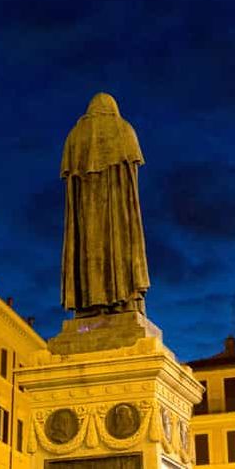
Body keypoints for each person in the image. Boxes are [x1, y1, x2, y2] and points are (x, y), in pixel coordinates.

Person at [60, 93, 150, 317]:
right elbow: (132, 180)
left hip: (85, 214)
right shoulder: (124, 130)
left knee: (87, 246)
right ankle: (124, 300)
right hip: (118, 214)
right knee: (119, 245)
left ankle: (89, 303)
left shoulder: (75, 136)